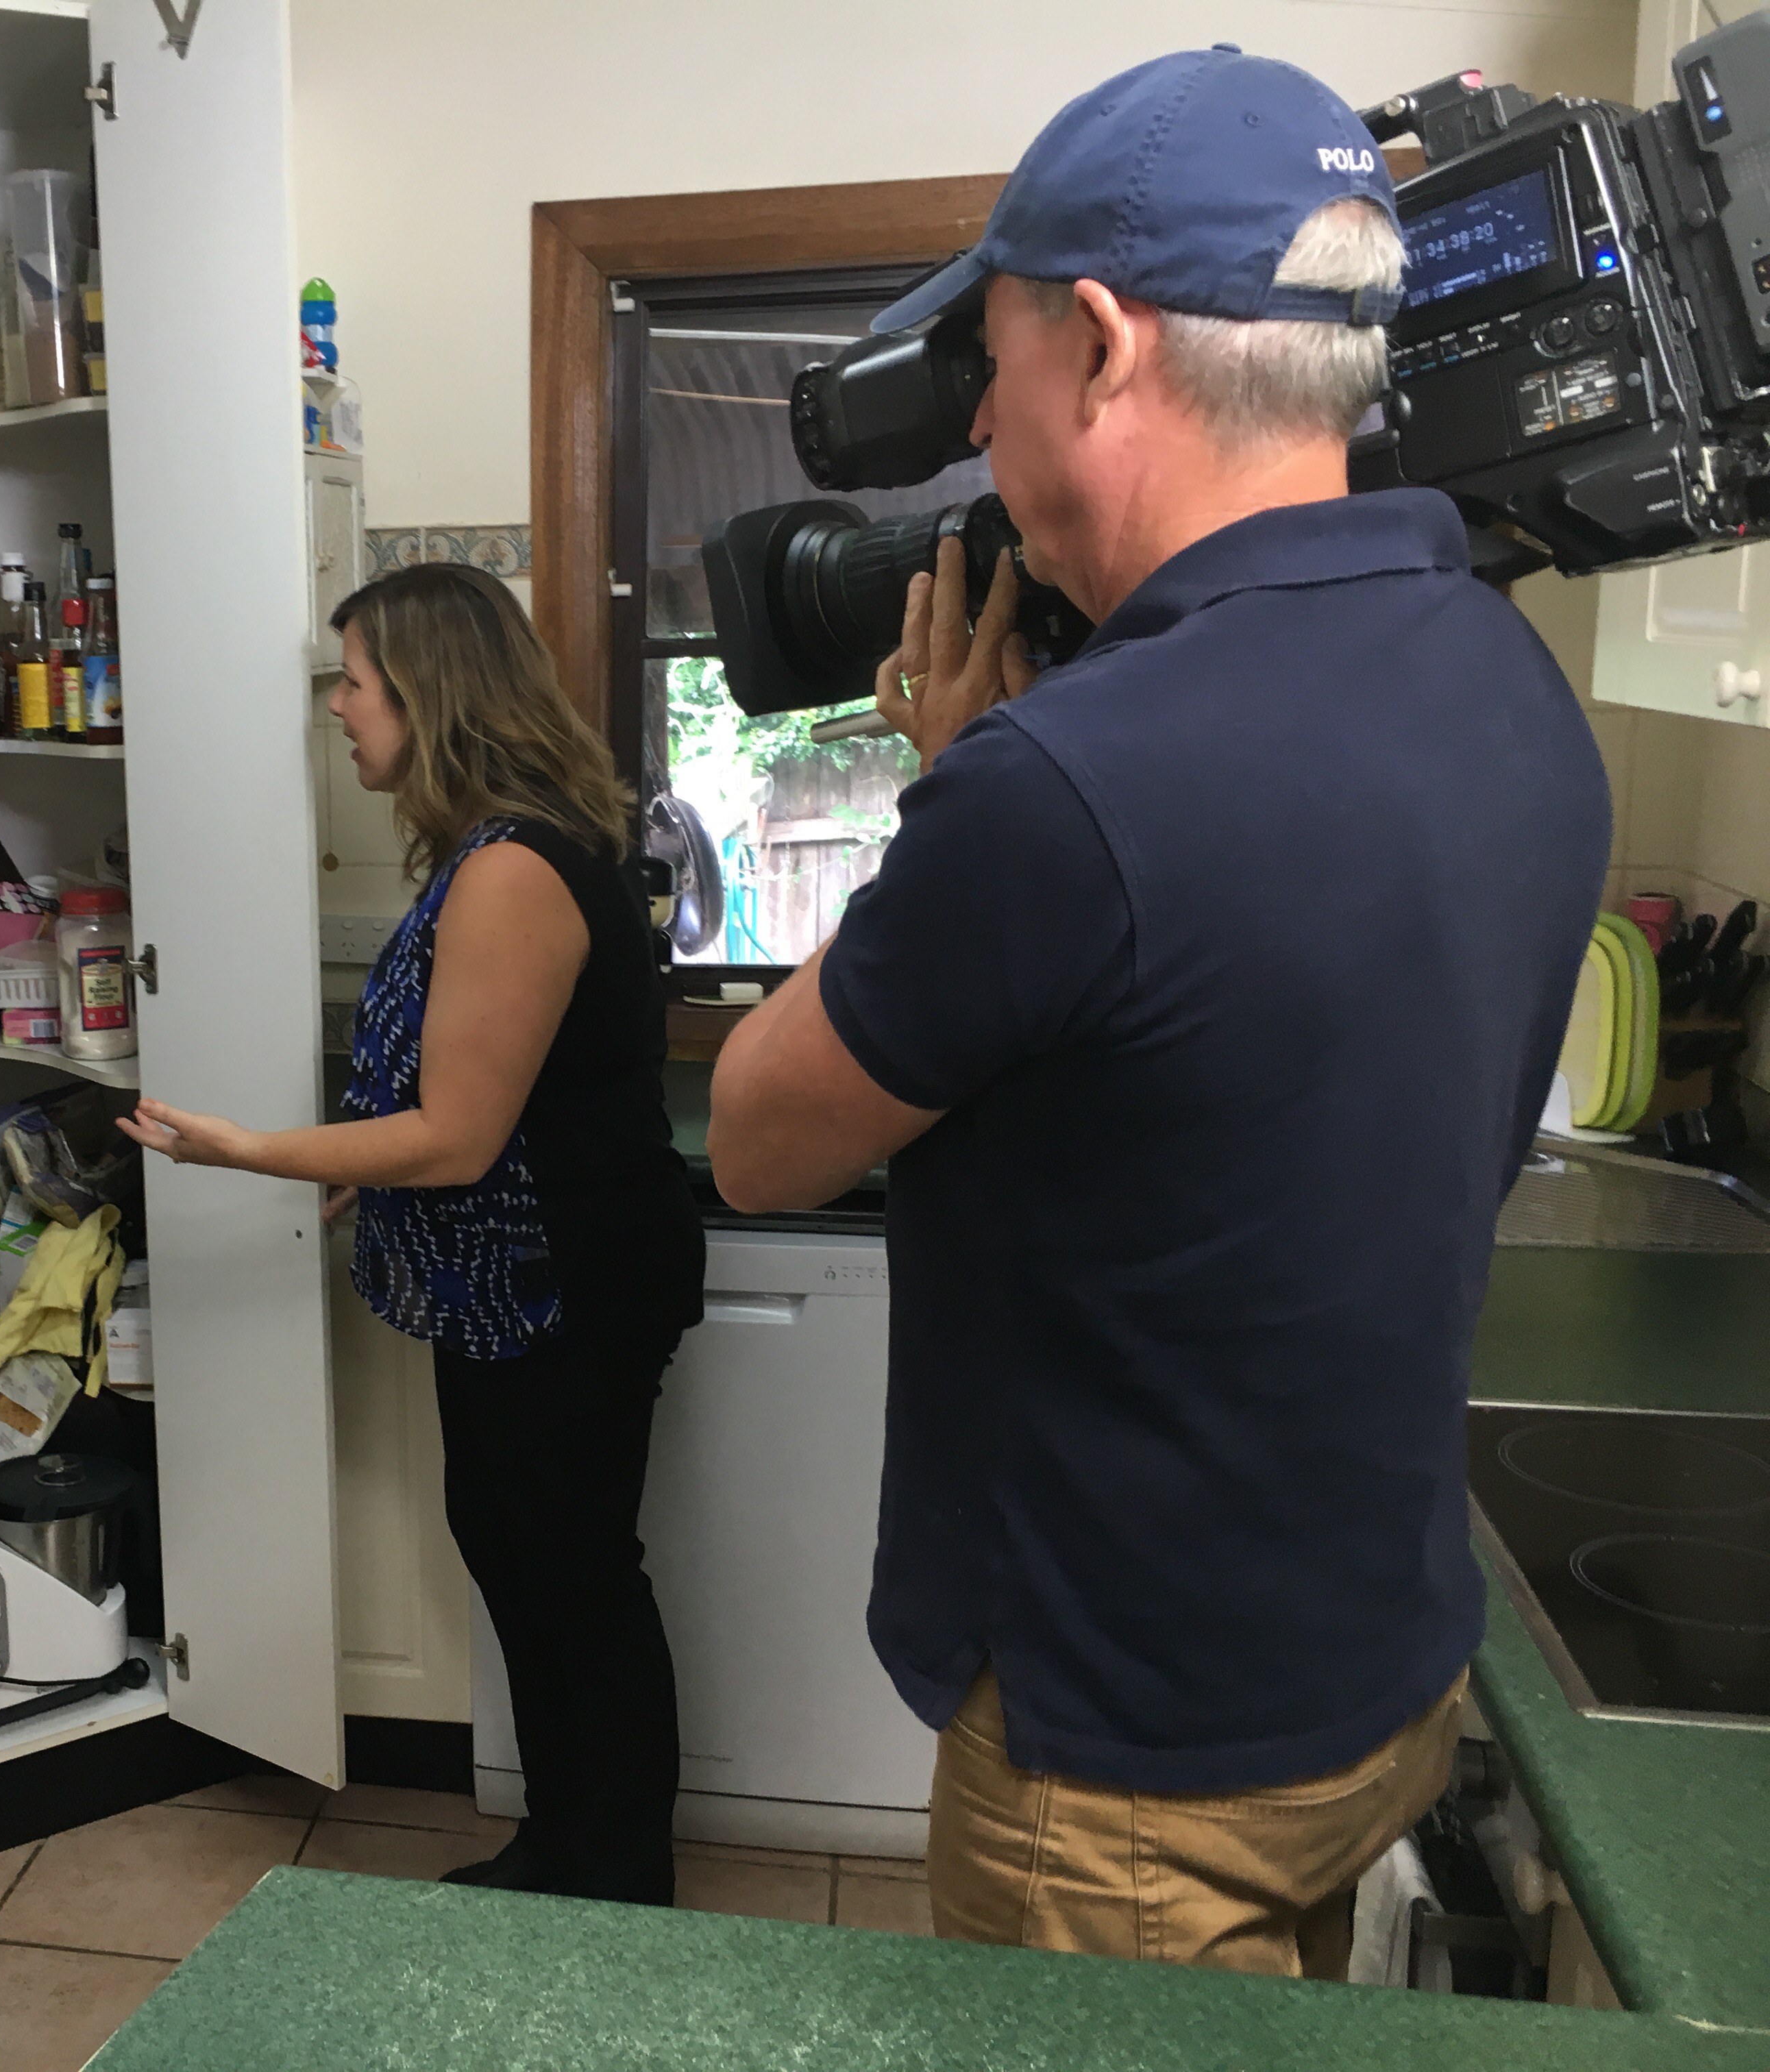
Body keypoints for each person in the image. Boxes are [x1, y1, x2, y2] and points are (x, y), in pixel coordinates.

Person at [708, 49, 1610, 1977]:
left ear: (1105, 346)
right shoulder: (1509, 679)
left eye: (994, 363)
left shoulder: (1063, 789)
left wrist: (957, 782)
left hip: (1123, 1764)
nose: (979, 426)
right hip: (1370, 1676)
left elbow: (762, 1137)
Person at [118, 564, 704, 1903]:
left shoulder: (514, 870)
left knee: (573, 1577)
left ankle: (615, 1883)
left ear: (432, 697)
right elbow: (465, 1096)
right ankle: (566, 1848)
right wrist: (361, 1173)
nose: (339, 708)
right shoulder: (502, 849)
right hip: (523, 1278)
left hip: (565, 1286)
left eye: (357, 683)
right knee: (524, 1553)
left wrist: (245, 1150)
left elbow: (456, 1137)